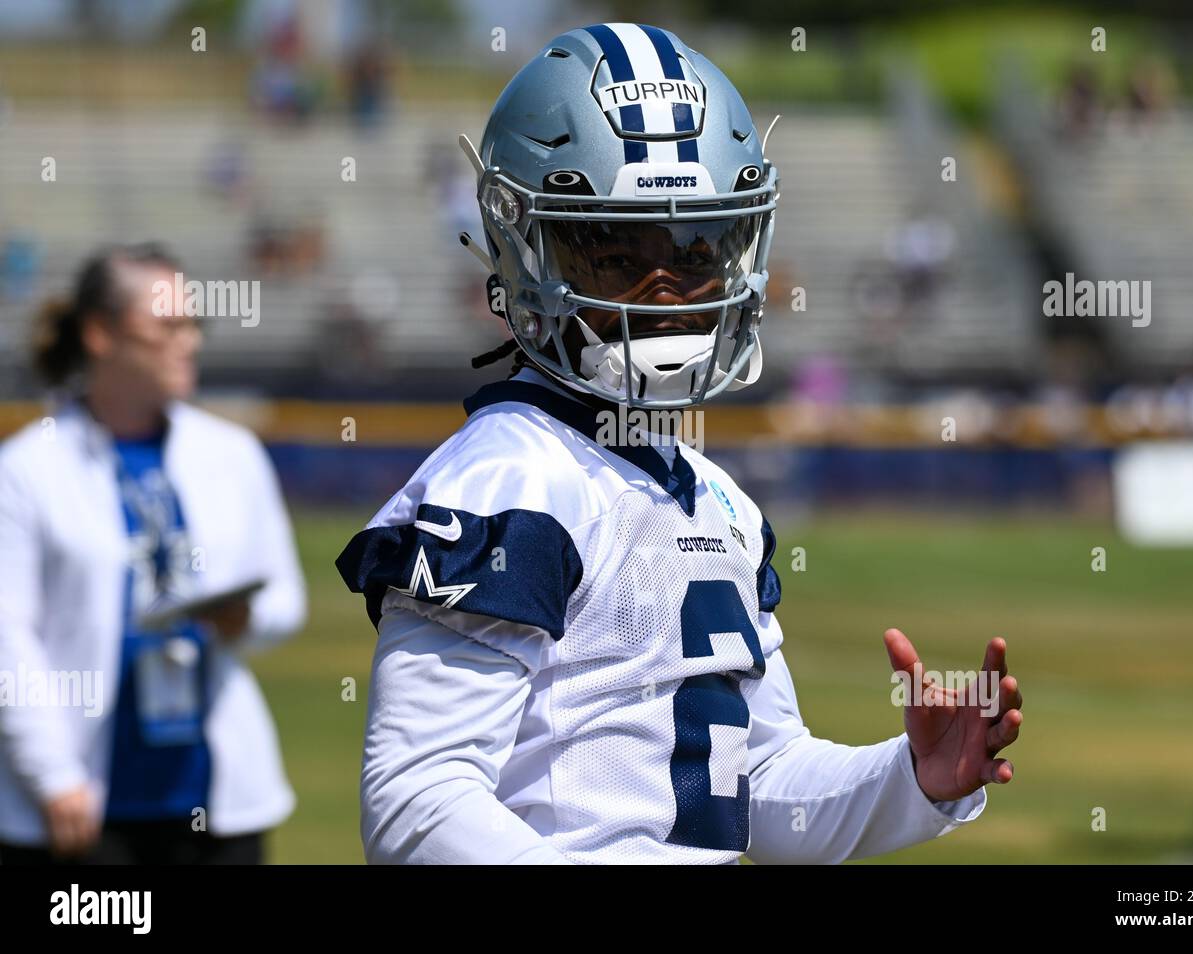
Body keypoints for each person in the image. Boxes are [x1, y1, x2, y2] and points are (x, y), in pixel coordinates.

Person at [338, 23, 1022, 864]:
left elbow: (755, 783)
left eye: (696, 248)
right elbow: (419, 803)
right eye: (617, 252)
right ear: (524, 249)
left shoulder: (718, 500)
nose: (664, 292)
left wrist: (913, 778)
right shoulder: (508, 480)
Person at [0, 244, 306, 864]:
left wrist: (244, 619)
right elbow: (9, 637)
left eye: (195, 324)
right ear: (100, 335)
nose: (188, 341)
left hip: (217, 804)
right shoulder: (27, 468)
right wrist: (52, 776)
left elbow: (284, 599)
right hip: (80, 810)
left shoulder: (232, 453)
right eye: (166, 326)